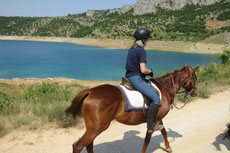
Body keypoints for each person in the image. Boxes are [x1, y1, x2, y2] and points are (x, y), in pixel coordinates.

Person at [125, 28, 162, 133]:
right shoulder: (141, 51)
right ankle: (151, 125)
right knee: (156, 99)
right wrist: (149, 71)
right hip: (136, 78)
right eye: (146, 39)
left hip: (128, 76)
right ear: (142, 40)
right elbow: (143, 69)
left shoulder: (132, 48)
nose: (147, 41)